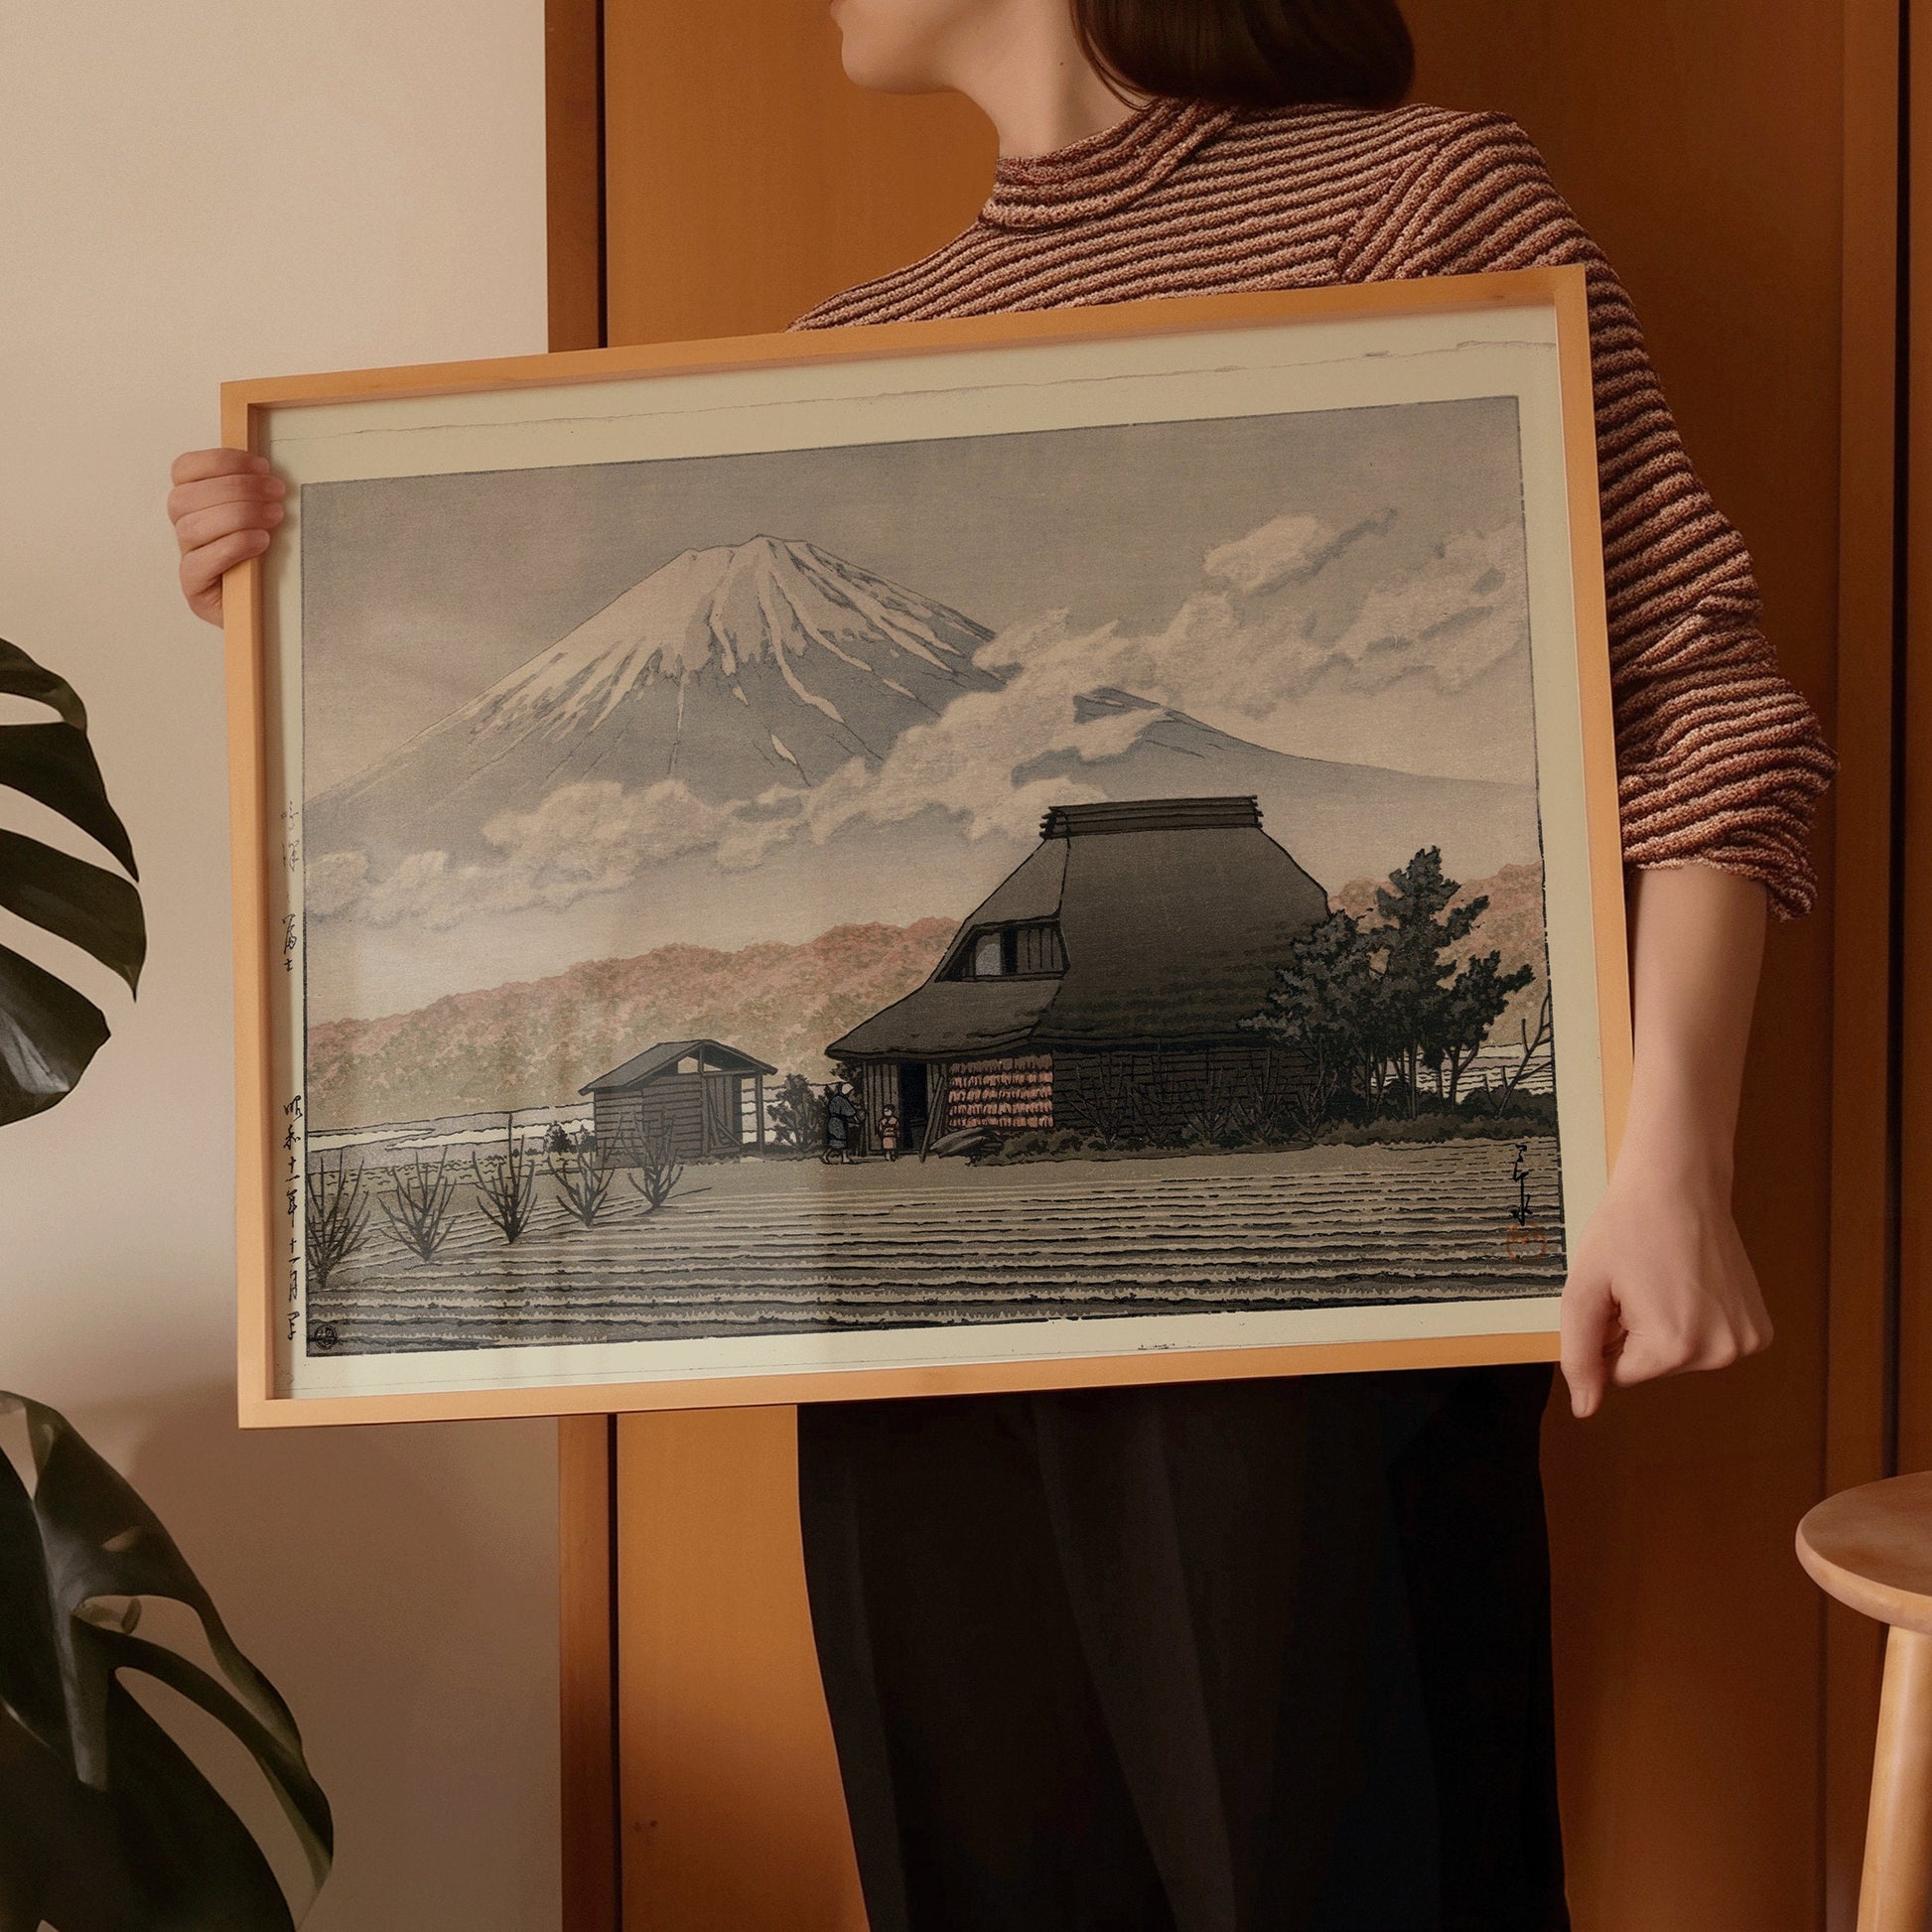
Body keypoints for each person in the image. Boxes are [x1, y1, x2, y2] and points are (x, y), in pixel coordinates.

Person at [168, 3, 1833, 1924]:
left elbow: (1702, 698)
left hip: (1308, 1375)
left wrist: (1669, 1162)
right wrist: (309, 555)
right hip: (902, 1386)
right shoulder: (844, 364)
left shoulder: (1413, 199)